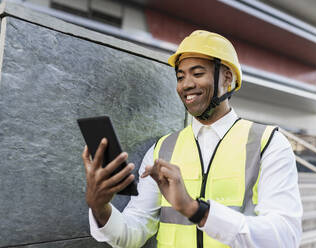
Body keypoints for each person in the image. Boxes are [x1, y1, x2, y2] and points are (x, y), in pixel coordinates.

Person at [82, 30, 303, 248]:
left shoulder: (268, 143)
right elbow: (133, 233)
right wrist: (101, 210)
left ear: (227, 77)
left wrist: (195, 210)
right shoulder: (162, 149)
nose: (186, 85)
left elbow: (284, 238)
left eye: (197, 74)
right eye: (180, 77)